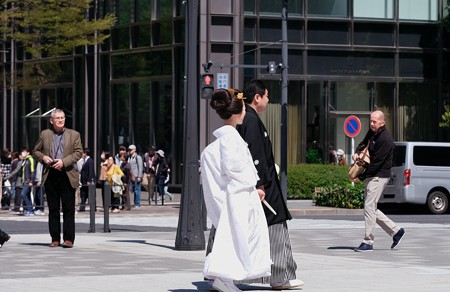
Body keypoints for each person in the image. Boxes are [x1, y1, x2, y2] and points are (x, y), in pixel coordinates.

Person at [201, 88, 271, 292]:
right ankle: (225, 278)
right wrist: (255, 189)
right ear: (240, 111)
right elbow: (239, 174)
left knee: (230, 239)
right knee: (238, 239)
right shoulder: (232, 140)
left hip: (230, 198)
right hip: (238, 199)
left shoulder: (218, 144)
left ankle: (224, 278)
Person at [237, 79, 304, 290]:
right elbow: (255, 155)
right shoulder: (251, 120)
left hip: (254, 182)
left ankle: (221, 274)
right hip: (263, 184)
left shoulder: (244, 119)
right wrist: (260, 184)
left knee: (237, 226)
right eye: (267, 96)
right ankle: (280, 276)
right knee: (276, 224)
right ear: (257, 97)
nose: (268, 100)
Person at [351, 110, 405, 252]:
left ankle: (368, 241)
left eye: (374, 121)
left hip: (380, 175)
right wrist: (357, 152)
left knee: (369, 207)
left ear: (382, 122)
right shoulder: (373, 132)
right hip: (373, 174)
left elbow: (377, 164)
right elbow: (363, 143)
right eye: (371, 121)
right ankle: (396, 231)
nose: (372, 124)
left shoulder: (386, 140)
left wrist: (360, 177)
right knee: (371, 208)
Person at [32, 108, 83, 248]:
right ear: (51, 120)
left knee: (68, 209)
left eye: (62, 117)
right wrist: (44, 158)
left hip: (67, 173)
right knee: (53, 209)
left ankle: (69, 239)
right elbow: (35, 151)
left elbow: (79, 152)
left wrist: (64, 162)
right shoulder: (45, 134)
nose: (60, 120)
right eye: (58, 118)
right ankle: (55, 238)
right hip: (51, 174)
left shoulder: (74, 134)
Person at [20, 147, 36, 216]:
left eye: (24, 152)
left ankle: (30, 209)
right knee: (27, 195)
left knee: (23, 194)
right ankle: (29, 209)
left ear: (28, 153)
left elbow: (32, 171)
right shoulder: (24, 160)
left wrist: (31, 181)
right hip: (24, 180)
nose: (23, 153)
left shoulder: (30, 159)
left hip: (28, 181)